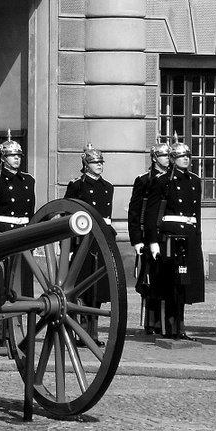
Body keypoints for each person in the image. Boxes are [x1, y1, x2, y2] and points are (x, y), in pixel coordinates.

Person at [144, 137, 204, 340]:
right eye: (180, 156)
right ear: (171, 158)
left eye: (187, 156)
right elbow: (151, 213)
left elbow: (196, 213)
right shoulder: (162, 182)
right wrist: (152, 241)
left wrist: (198, 237)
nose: (185, 159)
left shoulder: (195, 181)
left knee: (184, 283)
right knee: (170, 283)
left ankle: (180, 327)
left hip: (189, 235)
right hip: (170, 235)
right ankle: (169, 327)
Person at [64, 144, 115, 346]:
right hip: (84, 239)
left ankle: (93, 333)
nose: (99, 165)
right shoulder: (77, 186)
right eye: (95, 162)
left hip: (101, 238)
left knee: (99, 289)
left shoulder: (108, 187)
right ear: (86, 164)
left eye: (101, 161)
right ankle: (82, 332)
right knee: (83, 287)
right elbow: (68, 213)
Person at [127, 140, 169, 335]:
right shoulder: (144, 180)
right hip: (146, 236)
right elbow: (135, 212)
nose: (167, 159)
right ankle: (150, 322)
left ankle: (165, 321)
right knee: (149, 280)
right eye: (163, 156)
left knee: (165, 280)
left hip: (164, 235)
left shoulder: (172, 179)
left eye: (169, 156)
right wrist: (136, 239)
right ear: (154, 158)